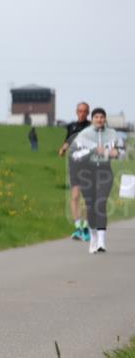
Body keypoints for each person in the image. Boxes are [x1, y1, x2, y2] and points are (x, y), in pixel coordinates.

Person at [69, 108, 125, 253]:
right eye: (96, 117)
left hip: (105, 172)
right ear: (92, 119)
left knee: (101, 203)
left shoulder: (113, 134)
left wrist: (116, 153)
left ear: (105, 119)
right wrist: (92, 150)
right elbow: (74, 155)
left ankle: (101, 241)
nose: (99, 119)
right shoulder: (84, 134)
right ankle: (93, 237)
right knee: (90, 206)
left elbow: (123, 152)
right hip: (87, 172)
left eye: (102, 117)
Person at [58, 102, 92, 241]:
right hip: (75, 166)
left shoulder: (92, 127)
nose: (82, 113)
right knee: (75, 196)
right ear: (76, 112)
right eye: (80, 111)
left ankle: (86, 227)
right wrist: (63, 148)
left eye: (84, 111)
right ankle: (78, 228)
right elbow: (68, 140)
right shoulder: (72, 126)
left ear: (88, 113)